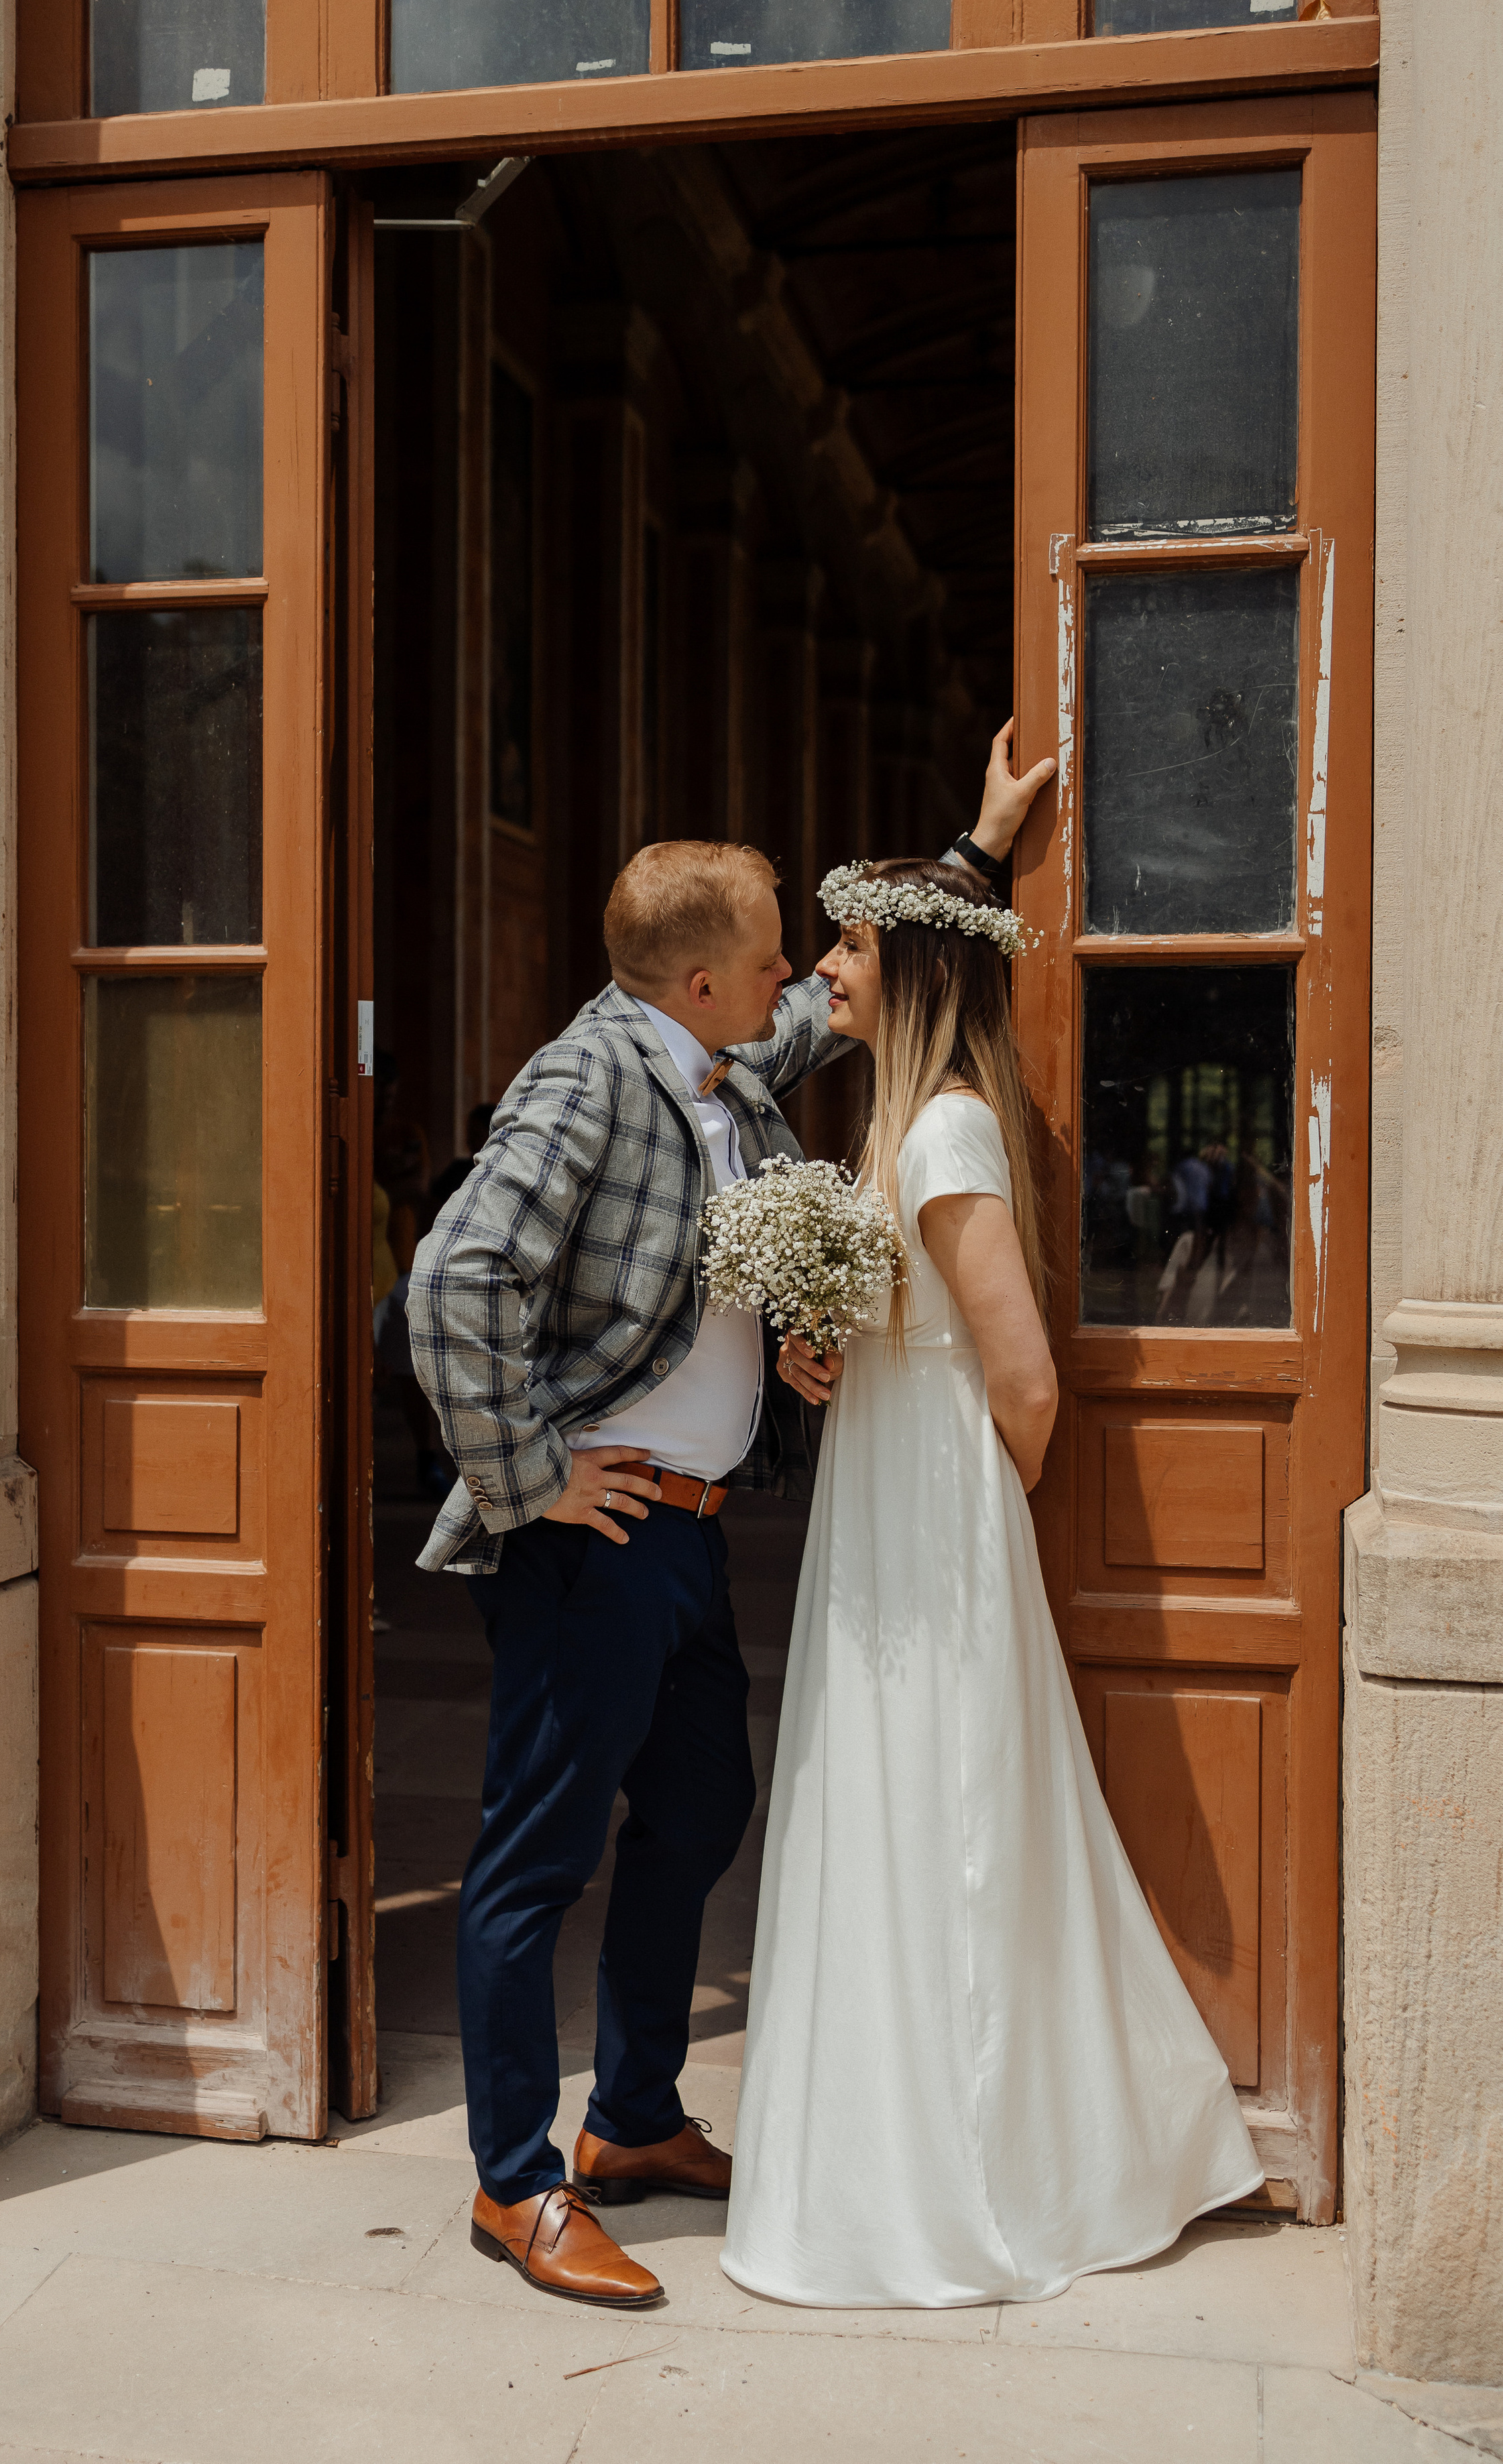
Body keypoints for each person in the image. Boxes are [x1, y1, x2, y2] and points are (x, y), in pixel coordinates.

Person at [408, 723, 1050, 2313]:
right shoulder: (584, 1083)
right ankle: (515, 2184)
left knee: (698, 1812)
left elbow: (857, 1010)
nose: (795, 984)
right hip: (592, 1540)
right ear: (698, 983)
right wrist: (532, 1471)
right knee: (534, 1859)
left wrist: (972, 858)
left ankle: (631, 2122)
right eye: (773, 962)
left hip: (687, 1534)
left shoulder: (708, 1064)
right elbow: (449, 1280)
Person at [720, 859, 1262, 2309]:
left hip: (934, 1512)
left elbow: (1022, 1378)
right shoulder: (892, 1119)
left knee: (947, 1806)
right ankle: (882, 2147)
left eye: (844, 947)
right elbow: (904, 1322)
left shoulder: (946, 1130)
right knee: (883, 1799)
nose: (820, 970)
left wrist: (975, 1501)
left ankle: (978, 2175)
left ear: (913, 974)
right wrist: (818, 1351)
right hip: (881, 1490)